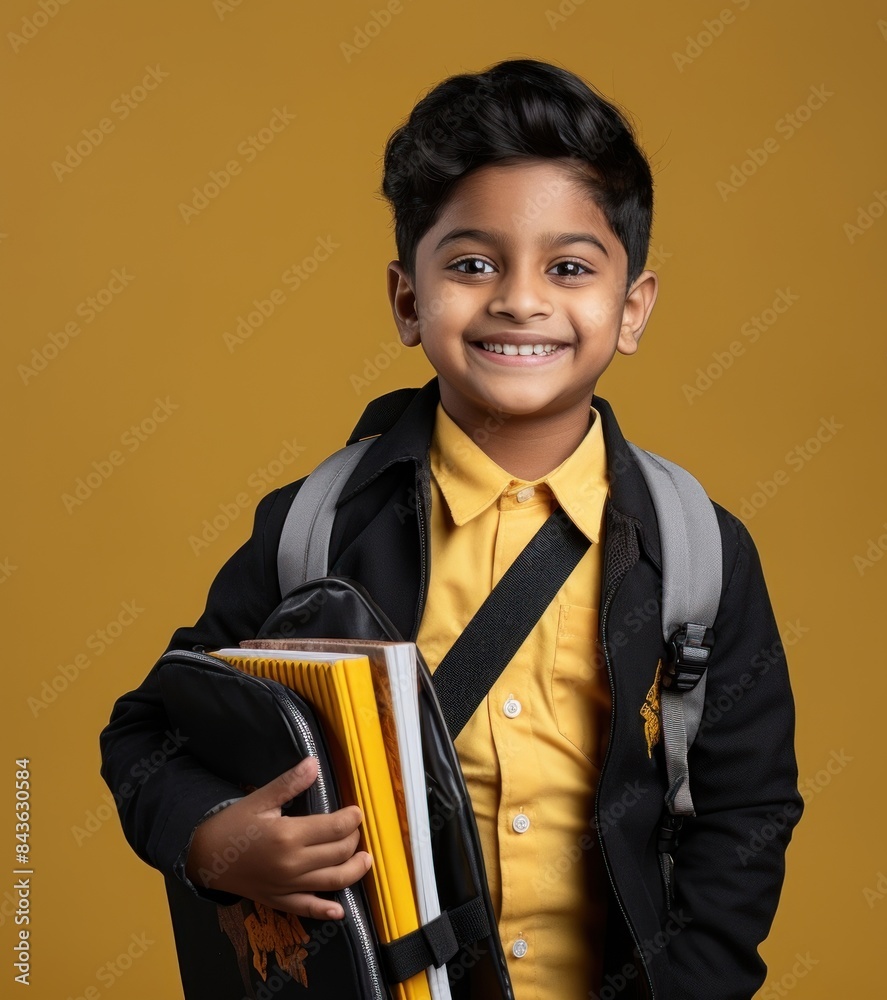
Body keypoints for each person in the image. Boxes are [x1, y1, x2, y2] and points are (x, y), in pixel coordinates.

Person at [99, 57, 802, 1000]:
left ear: (631, 309)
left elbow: (746, 807)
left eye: (569, 267)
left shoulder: (699, 553)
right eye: (473, 264)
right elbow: (148, 735)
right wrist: (213, 840)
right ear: (406, 300)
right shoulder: (316, 528)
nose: (519, 297)